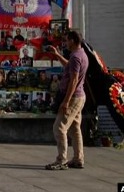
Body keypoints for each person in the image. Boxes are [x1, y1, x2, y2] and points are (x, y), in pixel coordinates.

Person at [44, 31, 88, 170]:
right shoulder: (80, 54)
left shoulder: (76, 56)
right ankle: (78, 159)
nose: (66, 43)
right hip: (79, 96)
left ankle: (61, 160)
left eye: (67, 40)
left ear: (74, 41)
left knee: (59, 127)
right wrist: (57, 54)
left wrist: (66, 101)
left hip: (73, 97)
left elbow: (74, 80)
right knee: (75, 128)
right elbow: (69, 66)